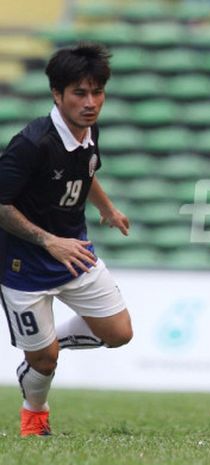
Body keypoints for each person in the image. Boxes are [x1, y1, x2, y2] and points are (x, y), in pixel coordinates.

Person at [0, 42, 133, 437]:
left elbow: (86, 171)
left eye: (97, 92)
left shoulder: (90, 131)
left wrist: (106, 208)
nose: (90, 102)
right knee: (44, 364)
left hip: (75, 253)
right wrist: (48, 241)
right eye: (79, 93)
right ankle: (34, 413)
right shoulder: (31, 144)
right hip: (23, 266)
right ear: (57, 95)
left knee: (119, 334)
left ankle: (43, 347)